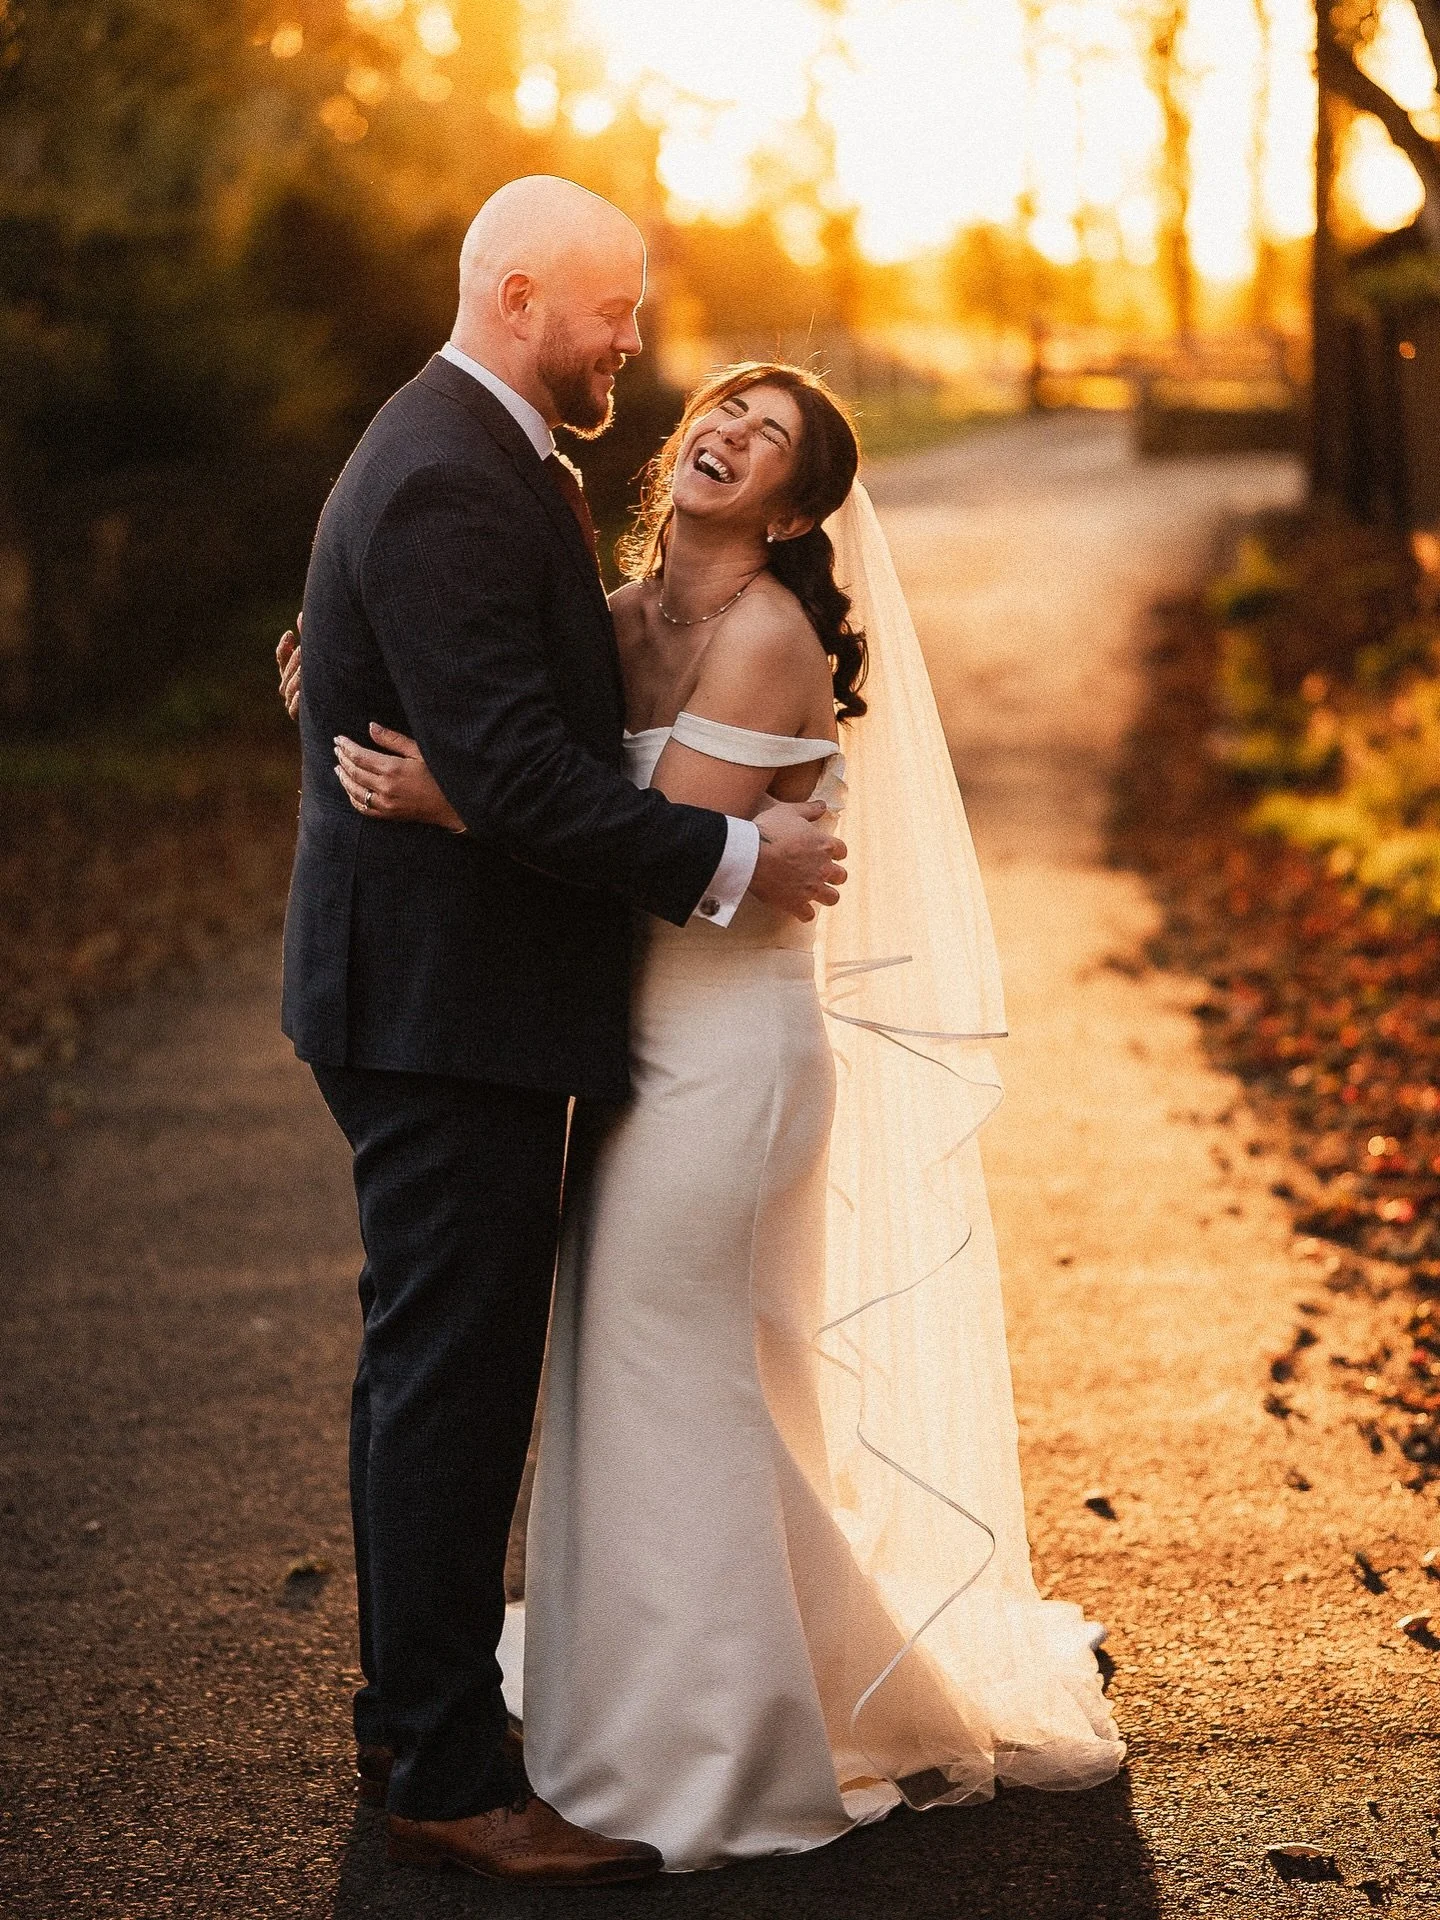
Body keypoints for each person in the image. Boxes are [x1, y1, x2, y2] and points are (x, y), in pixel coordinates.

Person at [284, 345, 1126, 1868]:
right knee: (644, 1385)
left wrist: (450, 798)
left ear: (798, 508)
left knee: (686, 1383)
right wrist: (337, 656)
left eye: (773, 432)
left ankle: (718, 1742)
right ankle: (657, 1704)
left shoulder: (763, 635)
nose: (732, 428)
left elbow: (655, 838)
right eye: (726, 407)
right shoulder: (613, 622)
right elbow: (488, 703)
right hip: (622, 1060)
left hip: (729, 1063)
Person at [278, 176, 848, 1888]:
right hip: (446, 1007)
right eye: (615, 311)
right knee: (447, 1384)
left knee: (436, 1374)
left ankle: (431, 1725)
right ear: (524, 295)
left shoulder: (492, 450)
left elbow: (513, 712)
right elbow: (524, 772)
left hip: (467, 996)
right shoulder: (458, 466)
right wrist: (739, 853)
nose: (641, 346)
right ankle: (445, 1767)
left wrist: (352, 658)